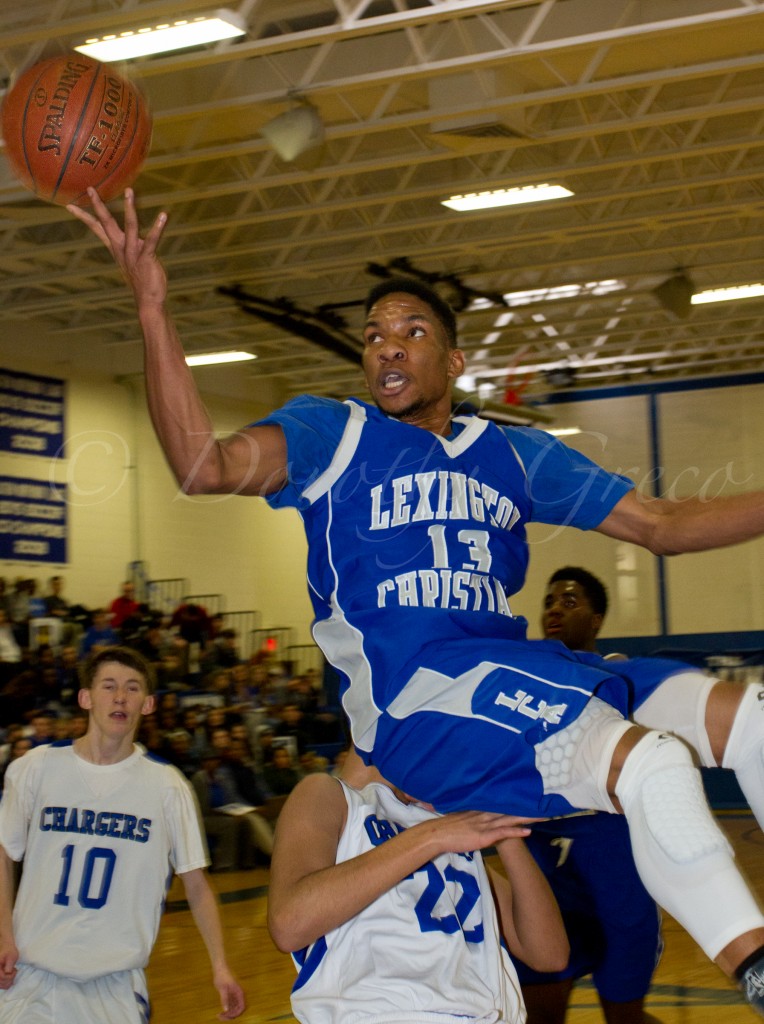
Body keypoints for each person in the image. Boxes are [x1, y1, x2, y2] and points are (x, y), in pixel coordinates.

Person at [69, 188, 764, 1013]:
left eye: (411, 333)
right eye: (373, 337)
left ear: (454, 363)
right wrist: (154, 310)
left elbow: (660, 524)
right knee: (650, 763)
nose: (386, 349)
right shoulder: (337, 435)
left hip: (512, 674)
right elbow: (202, 467)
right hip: (419, 702)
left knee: (747, 718)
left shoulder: (508, 453)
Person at [0, 645, 245, 1023]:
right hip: (32, 978)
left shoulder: (167, 786)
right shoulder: (35, 768)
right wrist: (4, 934)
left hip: (114, 986)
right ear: (85, 698)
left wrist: (220, 965)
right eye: (108, 686)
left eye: (132, 688)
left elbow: (196, 883)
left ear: (147, 704)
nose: (120, 697)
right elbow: (4, 850)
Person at [268, 746, 569, 1024]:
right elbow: (290, 924)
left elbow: (550, 955)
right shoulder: (333, 796)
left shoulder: (452, 829)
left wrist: (504, 832)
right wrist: (432, 836)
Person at [514, 567, 663, 1024]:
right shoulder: (519, 684)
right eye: (549, 600)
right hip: (549, 881)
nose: (554, 608)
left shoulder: (623, 680)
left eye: (570, 601)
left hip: (620, 883)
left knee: (625, 1018)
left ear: (596, 619)